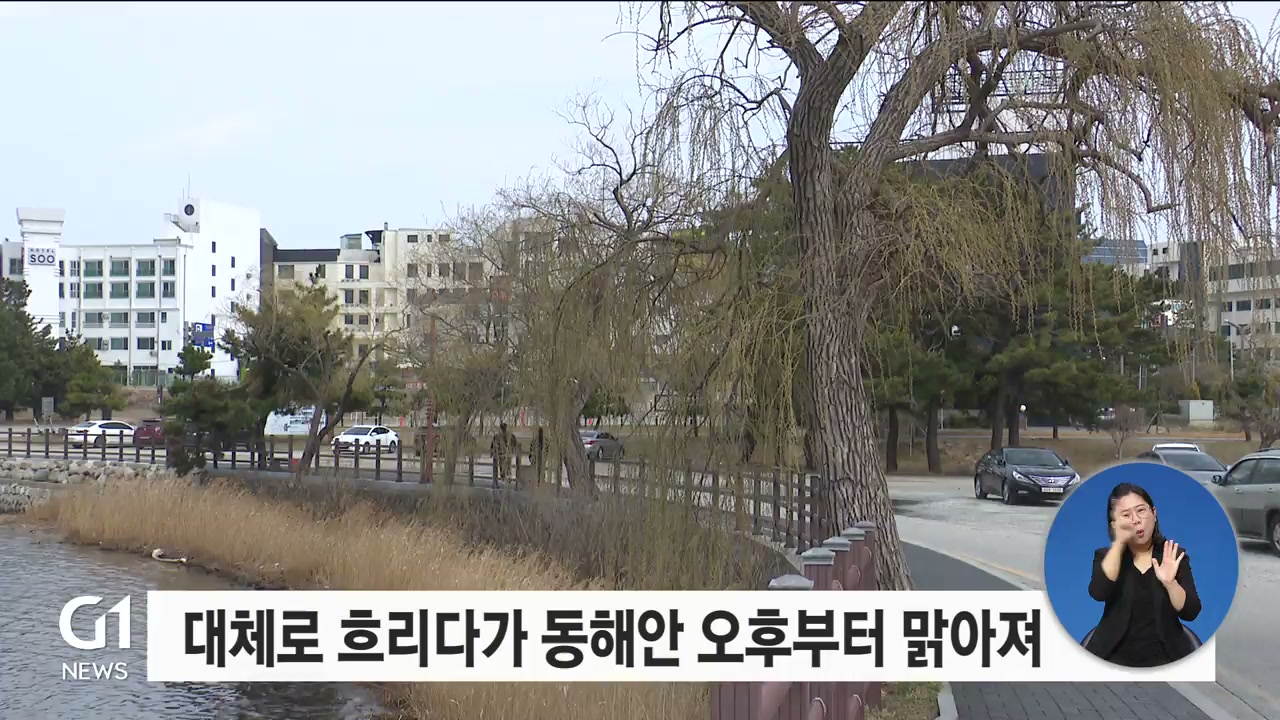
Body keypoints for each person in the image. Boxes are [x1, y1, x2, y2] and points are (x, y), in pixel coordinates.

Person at [1084, 482, 1202, 667]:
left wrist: (1170, 583)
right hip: (1113, 655)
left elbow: (1191, 612)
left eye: (1141, 511)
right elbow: (1099, 592)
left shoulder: (1173, 555)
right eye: (1126, 515)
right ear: (1114, 523)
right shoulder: (1106, 557)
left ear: (1154, 513)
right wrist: (1118, 543)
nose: (1136, 520)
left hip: (1165, 656)